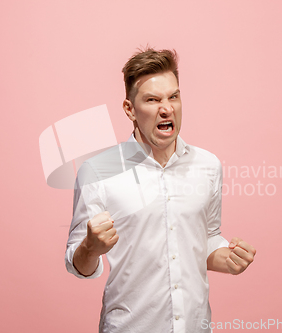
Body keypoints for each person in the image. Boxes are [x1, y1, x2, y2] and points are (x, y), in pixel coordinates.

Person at [65, 48, 256, 333]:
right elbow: (78, 264)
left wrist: (227, 258)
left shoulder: (208, 165)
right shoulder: (97, 172)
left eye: (173, 97)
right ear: (130, 109)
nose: (166, 109)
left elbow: (206, 240)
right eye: (152, 100)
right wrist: (91, 248)